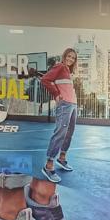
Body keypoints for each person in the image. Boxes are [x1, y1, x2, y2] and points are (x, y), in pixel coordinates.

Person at [40, 49, 79, 183]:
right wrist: (56, 94)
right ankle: (48, 165)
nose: (70, 59)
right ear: (64, 56)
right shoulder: (60, 67)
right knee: (60, 133)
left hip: (73, 104)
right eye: (69, 56)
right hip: (65, 105)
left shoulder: (68, 71)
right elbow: (45, 79)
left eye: (73, 58)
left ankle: (62, 158)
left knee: (69, 133)